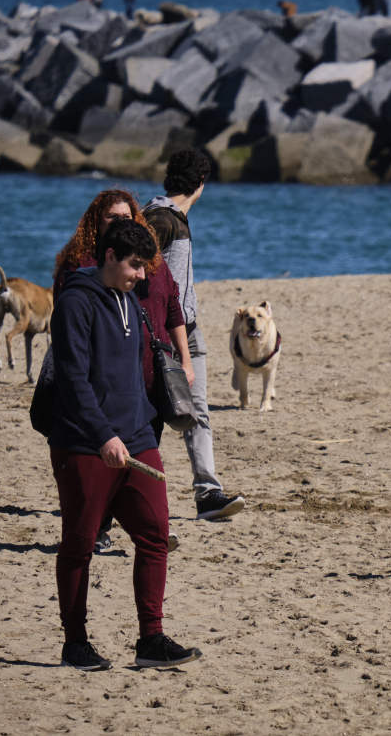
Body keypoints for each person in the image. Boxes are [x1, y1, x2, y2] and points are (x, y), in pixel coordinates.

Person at [50, 218, 202, 671]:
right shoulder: (75, 302)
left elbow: (135, 375)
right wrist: (103, 436)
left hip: (137, 439)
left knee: (155, 535)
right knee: (78, 544)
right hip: (84, 445)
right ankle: (75, 644)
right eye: (136, 266)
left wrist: (143, 429)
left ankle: (150, 640)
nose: (142, 275)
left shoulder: (130, 301)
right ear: (110, 257)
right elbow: (74, 381)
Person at [54, 189, 195, 551]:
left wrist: (185, 359)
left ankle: (147, 526)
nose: (121, 222)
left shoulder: (149, 258)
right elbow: (71, 348)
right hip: (100, 384)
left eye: (127, 216)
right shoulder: (81, 266)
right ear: (96, 222)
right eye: (112, 218)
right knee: (102, 463)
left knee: (143, 455)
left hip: (150, 375)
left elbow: (173, 305)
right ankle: (100, 529)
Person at [144, 149, 245, 522]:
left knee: (198, 411)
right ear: (201, 185)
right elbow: (138, 272)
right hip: (162, 336)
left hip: (189, 331)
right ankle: (117, 504)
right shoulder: (162, 221)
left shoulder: (172, 219)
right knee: (149, 419)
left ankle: (208, 494)